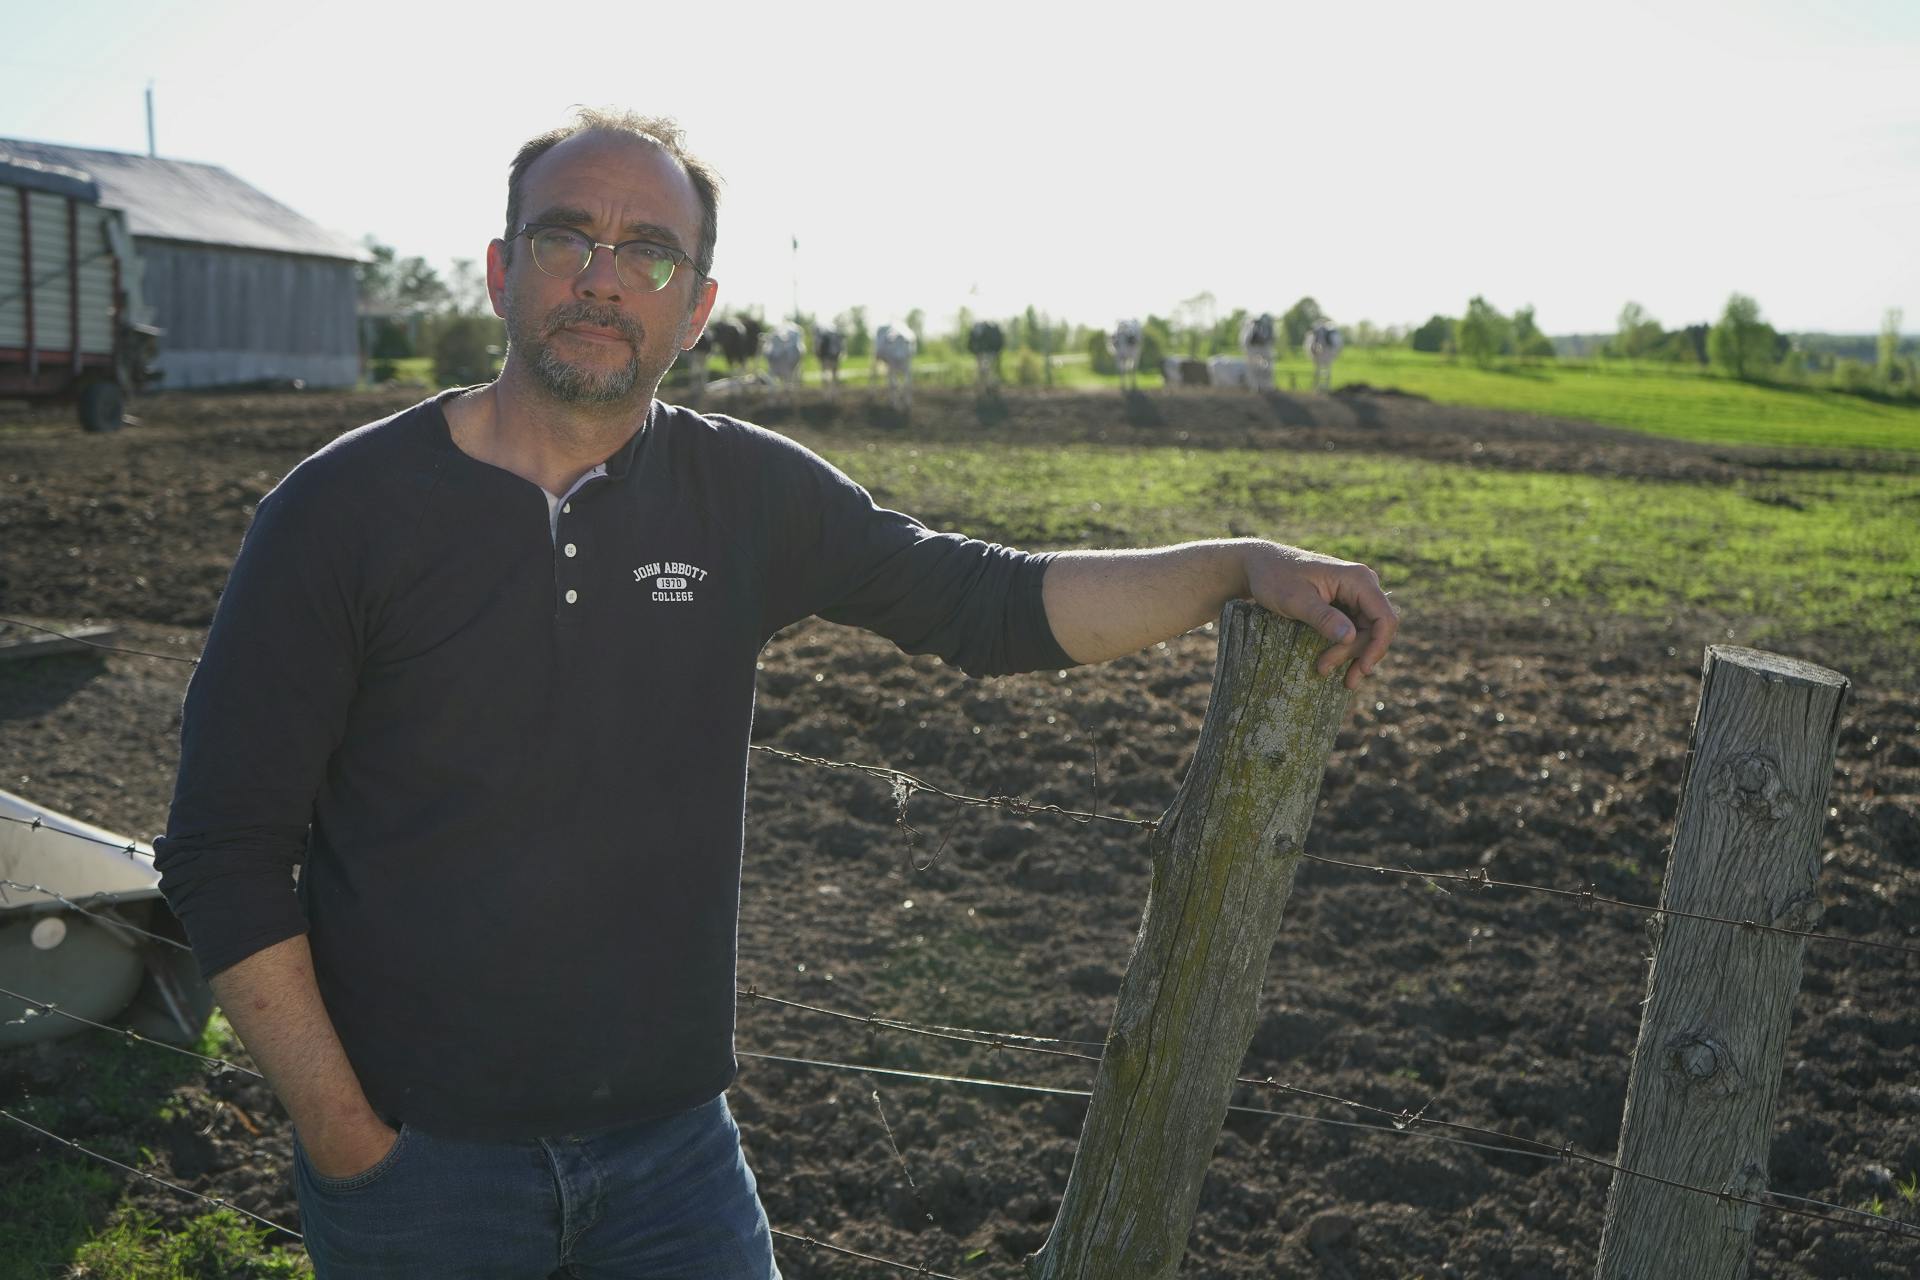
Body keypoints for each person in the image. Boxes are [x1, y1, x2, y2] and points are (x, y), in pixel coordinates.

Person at [153, 109, 1397, 1279]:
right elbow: (224, 846)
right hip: (424, 1168)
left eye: (647, 251)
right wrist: (343, 1131)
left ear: (696, 308)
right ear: (499, 269)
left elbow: (985, 600)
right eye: (565, 236)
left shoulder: (744, 494)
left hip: (672, 1160)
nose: (601, 273)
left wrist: (1236, 564)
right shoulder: (337, 514)